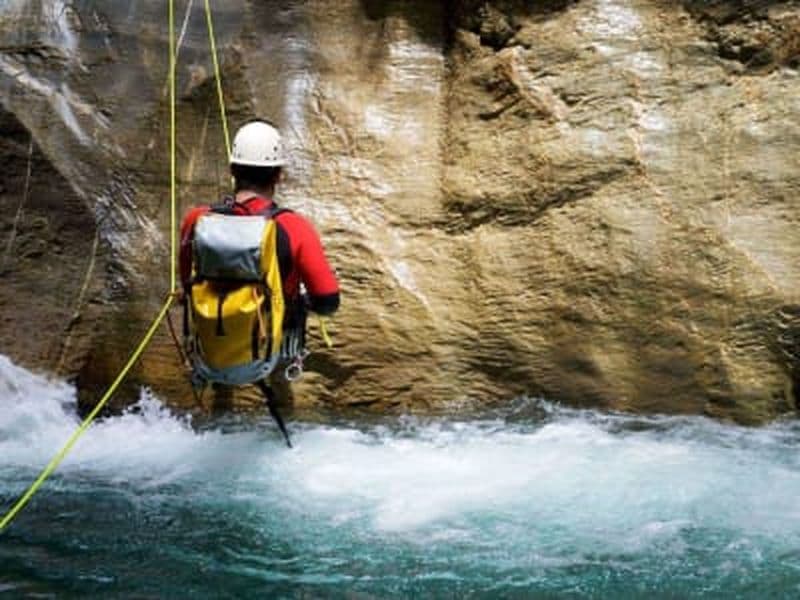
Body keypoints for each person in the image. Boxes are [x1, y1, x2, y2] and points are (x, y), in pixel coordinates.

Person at [178, 119, 339, 425]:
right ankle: (282, 429)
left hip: (211, 343)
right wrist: (300, 300)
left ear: (232, 170)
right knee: (281, 355)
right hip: (272, 349)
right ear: (279, 175)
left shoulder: (197, 220)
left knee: (220, 329)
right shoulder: (293, 227)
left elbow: (187, 283)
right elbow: (328, 301)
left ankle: (219, 410)